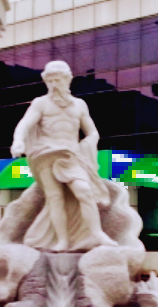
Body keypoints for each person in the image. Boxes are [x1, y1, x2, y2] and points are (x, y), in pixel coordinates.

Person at [10, 60, 117, 251]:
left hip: (71, 155)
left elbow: (92, 132)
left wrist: (88, 143)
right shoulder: (40, 103)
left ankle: (96, 234)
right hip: (46, 154)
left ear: (68, 80)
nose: (54, 84)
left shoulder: (79, 105)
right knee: (55, 198)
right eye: (50, 80)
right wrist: (18, 140)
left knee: (84, 191)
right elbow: (25, 124)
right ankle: (62, 241)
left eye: (58, 80)